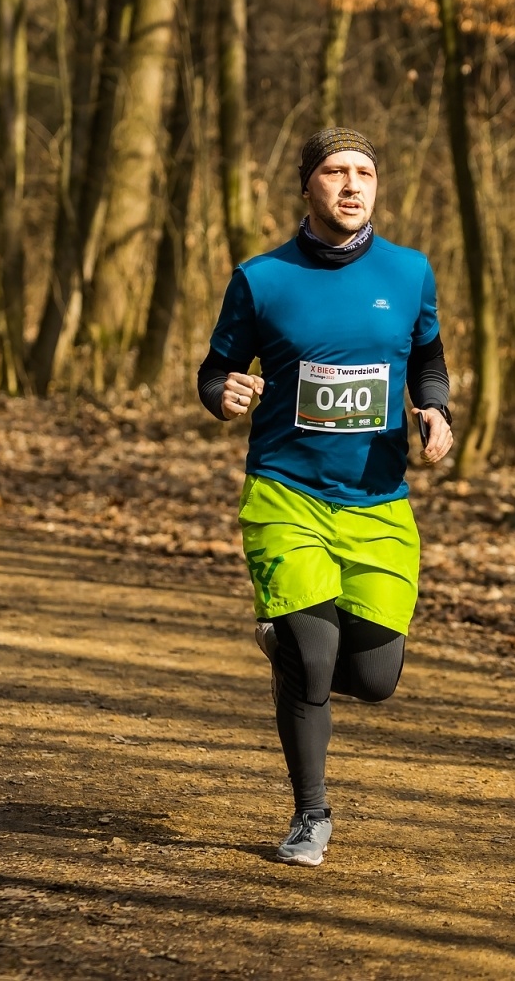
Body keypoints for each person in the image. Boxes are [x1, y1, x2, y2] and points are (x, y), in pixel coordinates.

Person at [197, 127, 454, 867]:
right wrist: (225, 394)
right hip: (287, 492)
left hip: (378, 498)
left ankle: (285, 641)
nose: (351, 184)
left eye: (364, 172)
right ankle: (311, 815)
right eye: (335, 171)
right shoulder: (261, 277)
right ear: (307, 183)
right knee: (315, 663)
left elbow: (428, 357)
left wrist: (436, 409)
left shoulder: (410, 272)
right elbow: (215, 369)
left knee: (374, 680)